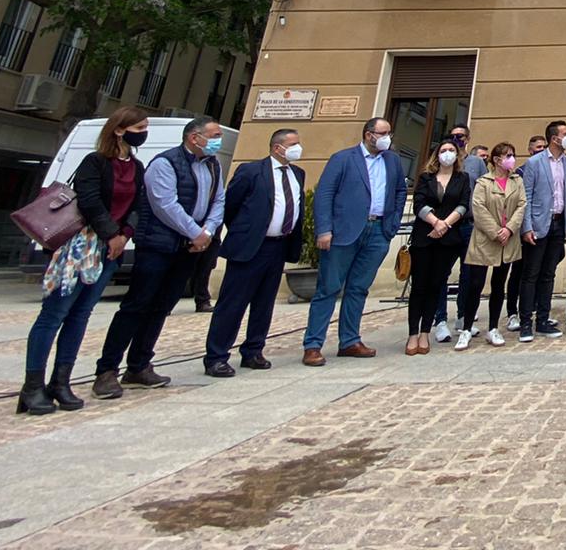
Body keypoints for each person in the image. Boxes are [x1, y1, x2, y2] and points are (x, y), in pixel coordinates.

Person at [19, 108, 148, 414]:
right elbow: (88, 200)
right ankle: (33, 386)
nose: (144, 132)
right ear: (120, 130)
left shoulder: (137, 166)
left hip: (110, 249)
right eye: (140, 126)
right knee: (54, 314)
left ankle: (60, 382)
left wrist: (124, 235)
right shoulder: (95, 162)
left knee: (80, 315)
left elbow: (138, 203)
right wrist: (110, 234)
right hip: (80, 247)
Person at [92, 117, 224, 398]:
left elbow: (218, 200)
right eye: (214, 135)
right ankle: (106, 370)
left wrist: (208, 230)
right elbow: (165, 204)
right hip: (158, 246)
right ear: (194, 137)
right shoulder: (165, 163)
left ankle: (139, 365)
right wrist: (195, 232)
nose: (218, 140)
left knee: (162, 306)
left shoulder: (212, 164)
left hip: (188, 248)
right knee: (136, 306)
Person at [302, 117, 407, 365]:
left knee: (358, 289)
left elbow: (400, 192)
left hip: (378, 231)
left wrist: (390, 225)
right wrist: (324, 230)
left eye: (389, 133)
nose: (387, 138)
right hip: (344, 232)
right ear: (369, 135)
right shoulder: (343, 158)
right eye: (383, 133)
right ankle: (313, 345)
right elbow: (324, 194)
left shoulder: (392, 160)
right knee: (328, 288)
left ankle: (349, 340)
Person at [204, 127, 307, 375]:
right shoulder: (251, 171)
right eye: (293, 144)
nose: (298, 148)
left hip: (279, 246)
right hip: (251, 247)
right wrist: (246, 232)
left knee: (264, 303)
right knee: (233, 303)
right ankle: (216, 356)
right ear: (277, 147)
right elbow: (232, 206)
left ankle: (253, 350)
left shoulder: (298, 174)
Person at [404, 138, 472, 356]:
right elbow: (419, 203)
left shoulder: (463, 178)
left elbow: (463, 205)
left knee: (436, 285)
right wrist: (435, 222)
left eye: (452, 150)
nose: (448, 153)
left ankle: (425, 332)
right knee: (419, 287)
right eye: (444, 150)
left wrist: (445, 224)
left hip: (448, 238)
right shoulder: (426, 177)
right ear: (437, 154)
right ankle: (412, 333)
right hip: (425, 237)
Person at [455, 142, 525, 350]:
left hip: (508, 239)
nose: (512, 159)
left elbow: (522, 205)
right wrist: (496, 231)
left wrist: (509, 229)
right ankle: (466, 328)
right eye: (508, 156)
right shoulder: (483, 182)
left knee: (499, 285)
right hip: (486, 240)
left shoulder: (517, 181)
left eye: (513, 155)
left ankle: (493, 328)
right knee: (475, 284)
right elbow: (478, 208)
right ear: (497, 159)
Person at [514, 123, 566, 341]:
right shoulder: (535, 162)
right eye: (565, 134)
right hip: (538, 224)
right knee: (531, 274)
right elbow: (525, 196)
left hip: (558, 223)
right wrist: (526, 226)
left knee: (549, 274)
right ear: (554, 138)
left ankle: (543, 320)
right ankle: (525, 322)